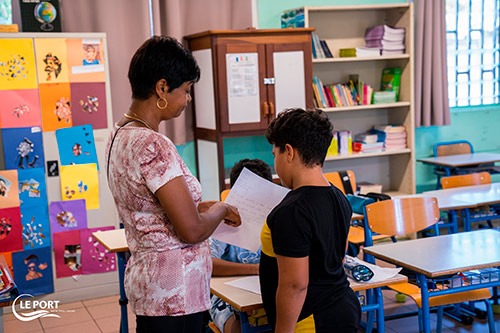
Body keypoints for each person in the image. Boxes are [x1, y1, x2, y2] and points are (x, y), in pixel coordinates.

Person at [105, 36, 241, 333]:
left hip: (149, 287)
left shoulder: (120, 135)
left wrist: (198, 207)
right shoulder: (154, 145)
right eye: (187, 90)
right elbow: (191, 231)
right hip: (175, 296)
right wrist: (220, 208)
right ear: (162, 87)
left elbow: (148, 208)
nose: (188, 99)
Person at [259, 108, 361, 332]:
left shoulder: (291, 211)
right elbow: (339, 258)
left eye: (274, 154)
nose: (275, 162)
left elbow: (295, 285)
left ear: (289, 152)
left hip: (311, 319)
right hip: (343, 306)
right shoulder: (339, 197)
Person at [209, 158, 272, 333]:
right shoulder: (223, 220)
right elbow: (209, 263)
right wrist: (255, 269)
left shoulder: (276, 217)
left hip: (268, 291)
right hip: (228, 298)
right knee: (240, 329)